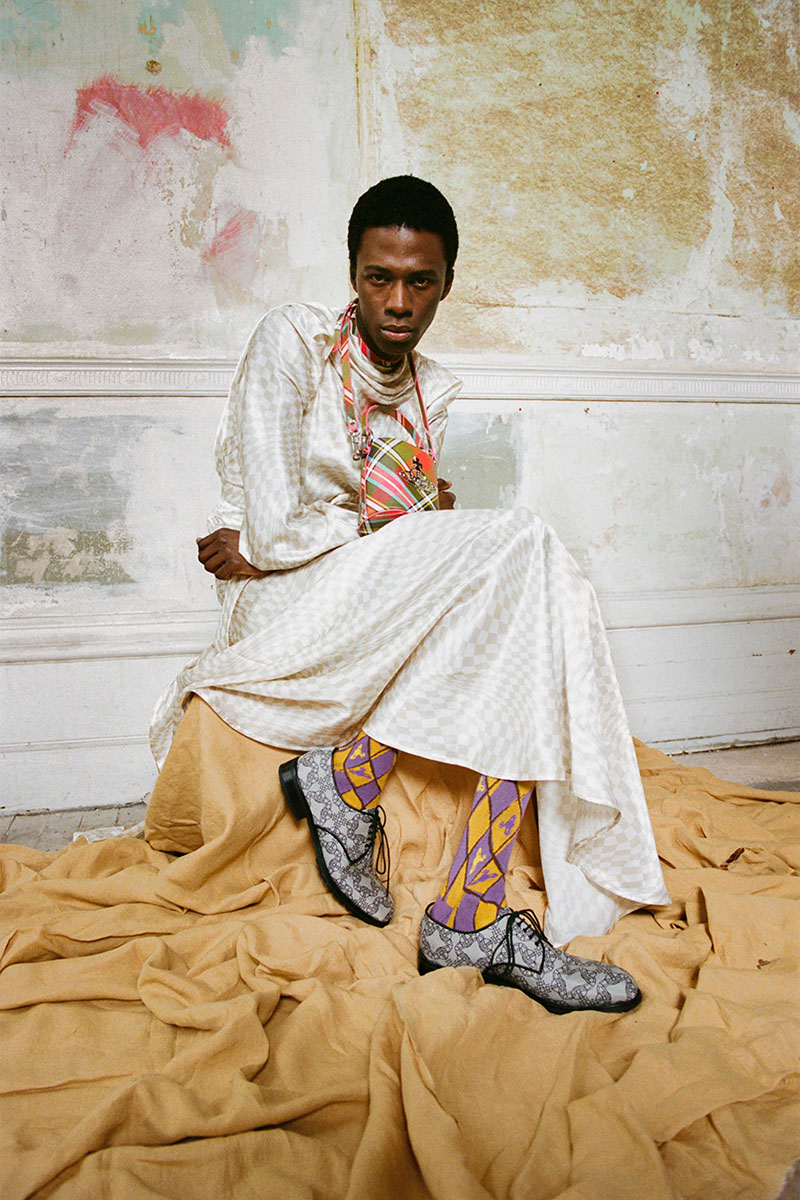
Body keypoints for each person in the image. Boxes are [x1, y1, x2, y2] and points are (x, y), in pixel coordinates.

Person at [150, 175, 669, 1014]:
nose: (398, 302)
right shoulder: (292, 340)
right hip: (283, 602)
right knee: (524, 546)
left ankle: (399, 827)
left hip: (368, 593)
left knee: (525, 583)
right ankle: (452, 899)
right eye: (379, 278)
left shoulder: (430, 391)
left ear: (446, 284)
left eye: (420, 281)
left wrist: (405, 523)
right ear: (352, 273)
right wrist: (404, 518)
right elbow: (274, 534)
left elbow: (383, 527)